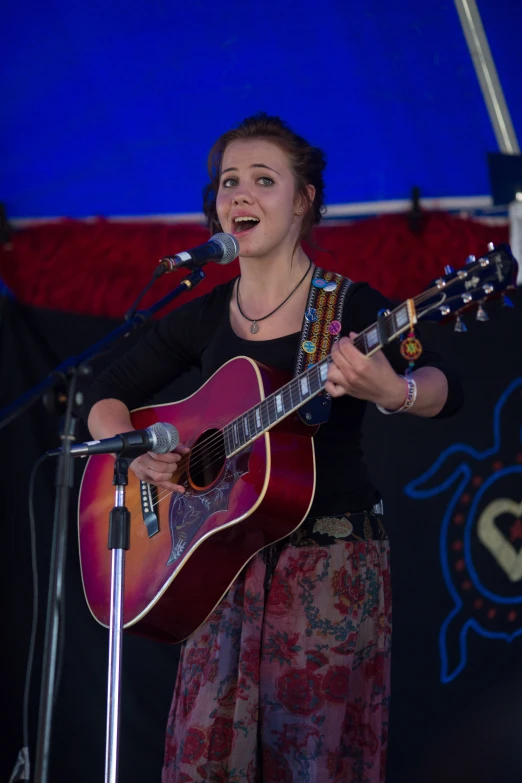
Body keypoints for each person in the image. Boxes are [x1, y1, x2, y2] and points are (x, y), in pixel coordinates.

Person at [85, 113, 463, 782]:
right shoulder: (206, 312)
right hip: (218, 567)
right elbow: (105, 394)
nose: (240, 195)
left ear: (305, 198)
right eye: (230, 181)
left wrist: (391, 387)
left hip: (327, 569)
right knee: (206, 762)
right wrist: (134, 452)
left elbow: (443, 385)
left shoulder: (350, 304)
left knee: (314, 760)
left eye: (264, 179)